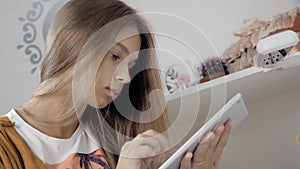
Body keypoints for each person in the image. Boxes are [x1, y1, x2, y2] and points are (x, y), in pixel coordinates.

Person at [0, 0, 233, 168]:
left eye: (131, 66)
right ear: (68, 42)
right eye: (115, 56)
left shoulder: (116, 138)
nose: (126, 78)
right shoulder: (6, 144)